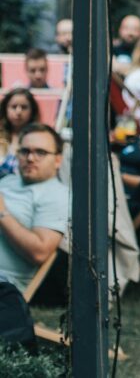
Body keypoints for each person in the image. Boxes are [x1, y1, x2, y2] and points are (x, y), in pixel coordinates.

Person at [0, 123, 69, 294]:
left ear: (58, 160)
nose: (30, 158)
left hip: (5, 284)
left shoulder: (57, 194)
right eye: (25, 151)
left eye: (40, 152)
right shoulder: (8, 181)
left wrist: (2, 213)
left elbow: (39, 253)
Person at [0, 89, 39, 177]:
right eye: (14, 107)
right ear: (5, 109)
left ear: (32, 111)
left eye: (24, 107)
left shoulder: (40, 139)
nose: (18, 112)